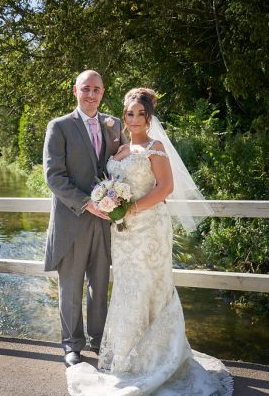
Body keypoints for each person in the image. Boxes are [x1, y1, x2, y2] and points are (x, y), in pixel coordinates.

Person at [66, 88, 233, 395]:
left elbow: (165, 187)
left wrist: (131, 207)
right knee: (128, 289)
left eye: (140, 114)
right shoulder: (121, 150)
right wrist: (108, 202)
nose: (134, 119)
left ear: (149, 116)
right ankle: (129, 357)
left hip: (150, 229)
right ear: (124, 116)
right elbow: (112, 184)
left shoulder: (155, 149)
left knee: (150, 288)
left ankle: (157, 357)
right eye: (129, 114)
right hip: (123, 232)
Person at [43, 70, 127, 367]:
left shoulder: (114, 124)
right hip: (73, 220)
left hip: (105, 223)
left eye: (97, 89)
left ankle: (100, 341)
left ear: (103, 92)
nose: (91, 95)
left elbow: (122, 168)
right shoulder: (60, 127)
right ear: (75, 91)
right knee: (71, 287)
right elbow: (54, 177)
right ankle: (72, 345)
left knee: (100, 285)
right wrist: (87, 204)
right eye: (86, 89)